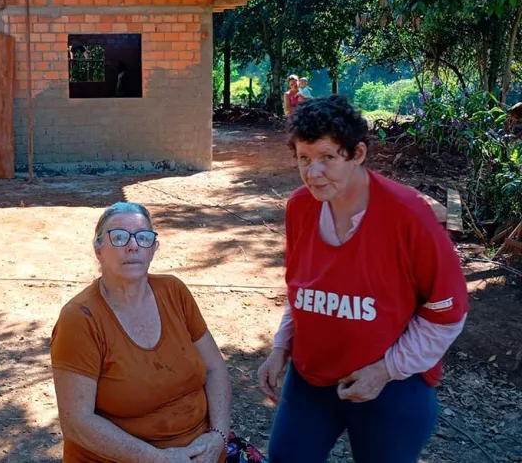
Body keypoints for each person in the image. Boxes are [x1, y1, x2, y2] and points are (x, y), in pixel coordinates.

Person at [258, 95, 468, 463]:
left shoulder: (407, 214)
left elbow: (447, 312)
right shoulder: (300, 207)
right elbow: (302, 290)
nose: (313, 173)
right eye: (304, 159)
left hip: (391, 384)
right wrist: (281, 349)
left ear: (357, 154)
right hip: (311, 378)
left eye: (327, 157)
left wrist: (386, 370)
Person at [50, 202, 267, 463]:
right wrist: (158, 459)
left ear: (153, 248)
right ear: (98, 249)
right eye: (119, 237)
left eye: (143, 237)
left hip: (204, 449)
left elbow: (214, 368)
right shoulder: (80, 318)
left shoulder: (173, 291)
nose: (133, 246)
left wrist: (218, 436)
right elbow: (77, 422)